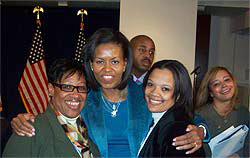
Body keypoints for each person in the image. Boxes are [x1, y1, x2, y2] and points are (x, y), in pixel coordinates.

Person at [10, 28, 203, 157]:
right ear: (91, 65)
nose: (107, 69)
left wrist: (201, 131)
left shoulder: (145, 95)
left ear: (125, 64)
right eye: (100, 61)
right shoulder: (83, 98)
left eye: (115, 61)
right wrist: (23, 121)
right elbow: (57, 119)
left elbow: (182, 114)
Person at [3, 58, 99, 157]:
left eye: (81, 88)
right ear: (51, 90)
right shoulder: (29, 129)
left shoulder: (89, 128)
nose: (76, 95)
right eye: (67, 87)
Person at [138, 60, 205, 157]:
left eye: (165, 89)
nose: (154, 93)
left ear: (178, 95)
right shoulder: (150, 115)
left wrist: (202, 129)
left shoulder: (180, 134)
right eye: (150, 84)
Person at [196, 66, 249, 157]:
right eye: (216, 84)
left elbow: (247, 144)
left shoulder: (243, 112)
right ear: (211, 93)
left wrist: (239, 155)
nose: (224, 85)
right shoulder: (199, 117)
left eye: (227, 80)